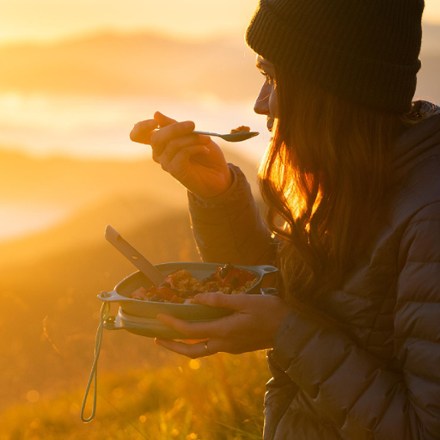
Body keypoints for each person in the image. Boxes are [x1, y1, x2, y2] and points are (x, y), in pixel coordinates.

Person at [129, 0, 440, 438]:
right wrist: (218, 195)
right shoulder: (359, 177)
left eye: (274, 78)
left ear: (331, 87)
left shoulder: (430, 218)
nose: (261, 104)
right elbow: (295, 296)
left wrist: (287, 332)